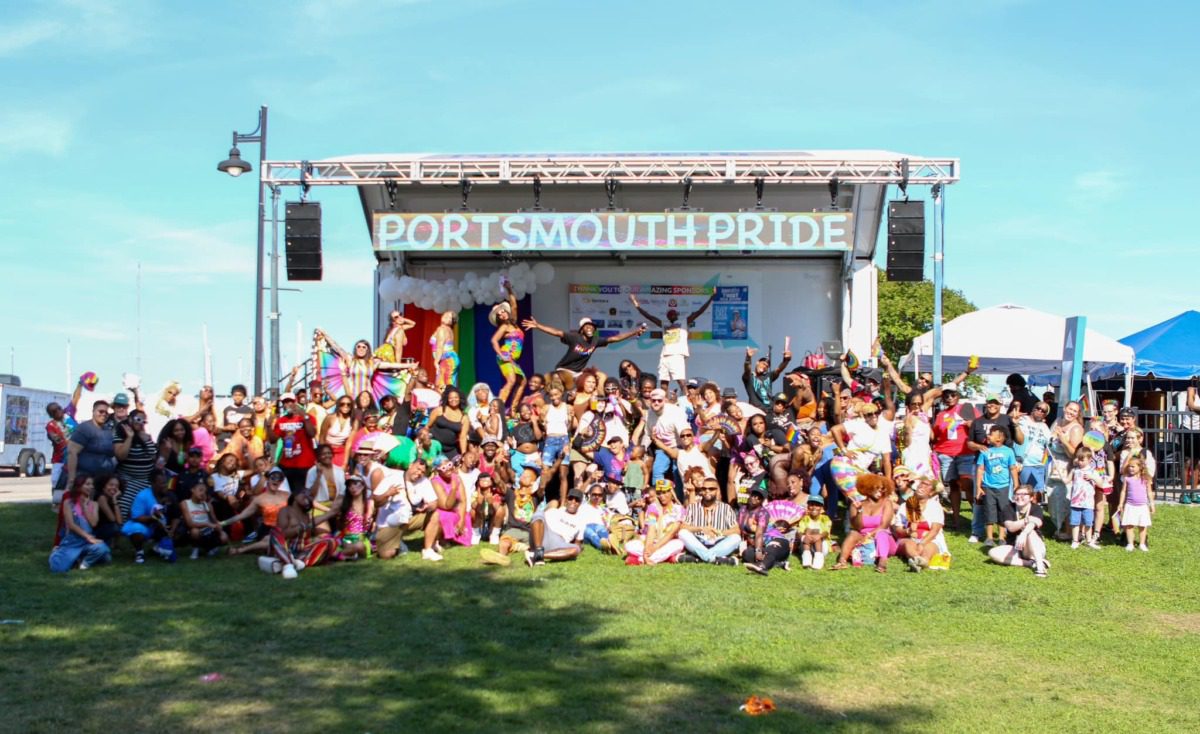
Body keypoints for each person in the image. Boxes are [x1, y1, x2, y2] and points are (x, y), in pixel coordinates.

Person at [629, 289, 716, 396]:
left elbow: (699, 311)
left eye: (673, 314)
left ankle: (686, 401)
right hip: (664, 355)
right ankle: (664, 401)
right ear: (667, 316)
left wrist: (711, 298)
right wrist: (636, 304)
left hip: (677, 355)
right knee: (663, 383)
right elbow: (649, 316)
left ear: (677, 315)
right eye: (670, 314)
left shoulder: (684, 322)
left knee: (681, 381)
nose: (672, 316)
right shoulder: (663, 324)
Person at [522, 316, 645, 390]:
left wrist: (634, 332)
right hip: (564, 369)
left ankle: (600, 401)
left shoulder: (596, 341)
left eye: (592, 327)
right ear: (582, 330)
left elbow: (615, 339)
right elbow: (557, 332)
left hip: (578, 373)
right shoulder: (574, 337)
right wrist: (538, 326)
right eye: (587, 326)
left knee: (601, 377)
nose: (590, 328)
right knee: (567, 382)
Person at [930, 385, 977, 529]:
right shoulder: (940, 415)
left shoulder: (967, 408)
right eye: (946, 395)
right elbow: (935, 434)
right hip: (946, 454)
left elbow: (980, 425)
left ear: (958, 395)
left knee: (967, 484)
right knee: (953, 486)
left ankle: (977, 518)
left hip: (965, 452)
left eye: (952, 395)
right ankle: (956, 520)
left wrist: (970, 424)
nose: (949, 398)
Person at [832, 475, 896, 572]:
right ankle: (842, 561)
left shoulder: (886, 503)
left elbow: (884, 525)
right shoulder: (857, 505)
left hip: (883, 539)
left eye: (883, 489)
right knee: (853, 533)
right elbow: (857, 527)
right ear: (868, 488)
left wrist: (870, 534)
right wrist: (859, 511)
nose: (881, 491)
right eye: (877, 488)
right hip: (863, 537)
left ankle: (882, 563)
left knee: (881, 533)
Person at [49, 477, 112, 573]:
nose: (91, 487)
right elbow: (71, 525)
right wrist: (88, 537)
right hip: (72, 542)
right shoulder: (69, 503)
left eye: (92, 484)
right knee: (58, 569)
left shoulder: (94, 504)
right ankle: (56, 552)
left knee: (103, 551)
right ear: (78, 486)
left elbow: (94, 523)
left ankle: (84, 563)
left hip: (87, 543)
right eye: (87, 484)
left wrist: (85, 507)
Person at [987, 485, 1049, 577]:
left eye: (1024, 494)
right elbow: (1010, 527)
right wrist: (1026, 520)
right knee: (992, 553)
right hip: (1016, 547)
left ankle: (1040, 567)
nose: (1019, 497)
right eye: (1017, 494)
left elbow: (1037, 523)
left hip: (1034, 547)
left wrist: (1023, 534)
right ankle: (1030, 563)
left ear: (1031, 497)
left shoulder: (1036, 508)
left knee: (1030, 531)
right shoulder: (1008, 508)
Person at [677, 476, 740, 565]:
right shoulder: (693, 507)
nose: (707, 491)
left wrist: (720, 532)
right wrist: (701, 529)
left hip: (719, 542)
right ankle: (715, 559)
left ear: (717, 490)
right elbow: (683, 527)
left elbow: (736, 530)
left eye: (711, 489)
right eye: (704, 488)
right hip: (699, 541)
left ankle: (700, 557)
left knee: (736, 538)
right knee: (682, 533)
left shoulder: (726, 508)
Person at [974, 425, 1020, 547]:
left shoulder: (1009, 451)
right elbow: (980, 469)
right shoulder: (985, 451)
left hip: (1004, 487)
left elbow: (1013, 468)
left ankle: (1001, 537)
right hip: (988, 487)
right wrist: (978, 486)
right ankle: (989, 537)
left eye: (991, 434)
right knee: (989, 511)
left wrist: (1016, 485)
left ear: (999, 438)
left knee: (1003, 511)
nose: (988, 436)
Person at [120, 469, 176, 564]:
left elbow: (176, 515)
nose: (164, 485)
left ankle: (158, 548)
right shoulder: (142, 496)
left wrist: (173, 530)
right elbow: (136, 517)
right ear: (153, 484)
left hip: (163, 527)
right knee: (136, 530)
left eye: (165, 483)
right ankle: (139, 552)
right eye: (161, 483)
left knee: (180, 531)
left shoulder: (170, 495)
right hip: (146, 525)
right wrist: (153, 518)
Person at [1046, 400, 1084, 539]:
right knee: (1054, 498)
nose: (1071, 412)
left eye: (1075, 411)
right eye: (1070, 409)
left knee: (1066, 499)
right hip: (1053, 466)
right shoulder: (1057, 421)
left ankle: (1069, 531)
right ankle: (1059, 527)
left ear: (1078, 414)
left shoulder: (1076, 429)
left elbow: (1075, 454)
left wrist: (1063, 439)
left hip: (1066, 467)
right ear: (1065, 408)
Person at [624, 480, 686, 565]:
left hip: (667, 542)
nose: (662, 496)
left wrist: (654, 548)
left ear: (672, 493)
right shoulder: (653, 508)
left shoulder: (679, 510)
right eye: (659, 493)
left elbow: (671, 534)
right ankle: (666, 558)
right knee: (629, 546)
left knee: (679, 544)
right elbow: (651, 529)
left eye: (664, 492)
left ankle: (640, 560)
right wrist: (647, 548)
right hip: (651, 541)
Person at [267, 393, 318, 495]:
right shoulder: (281, 420)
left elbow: (312, 433)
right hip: (287, 464)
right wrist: (268, 425)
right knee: (287, 495)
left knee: (304, 494)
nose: (288, 404)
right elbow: (273, 440)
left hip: (305, 463)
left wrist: (304, 416)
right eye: (285, 402)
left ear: (295, 402)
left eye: (290, 401)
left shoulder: (308, 417)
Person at [896, 475, 949, 572]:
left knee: (929, 547)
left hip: (929, 539)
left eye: (926, 485)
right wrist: (908, 531)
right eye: (921, 484)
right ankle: (916, 558)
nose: (921, 487)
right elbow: (898, 529)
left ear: (931, 493)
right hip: (910, 538)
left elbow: (934, 531)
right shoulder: (906, 505)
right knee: (908, 544)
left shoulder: (935, 506)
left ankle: (924, 560)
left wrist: (922, 543)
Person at [523, 487, 587, 566]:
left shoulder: (581, 521)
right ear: (566, 500)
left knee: (576, 549)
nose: (573, 502)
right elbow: (538, 521)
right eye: (570, 498)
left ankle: (536, 555)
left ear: (580, 503)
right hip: (544, 536)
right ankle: (538, 549)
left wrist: (578, 547)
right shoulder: (555, 511)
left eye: (577, 500)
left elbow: (577, 542)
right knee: (539, 513)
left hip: (560, 543)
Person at [112, 408, 157, 518]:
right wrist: (130, 437)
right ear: (130, 419)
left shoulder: (146, 436)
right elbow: (121, 456)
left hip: (146, 481)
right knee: (124, 508)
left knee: (145, 510)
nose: (141, 422)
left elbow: (153, 456)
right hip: (129, 480)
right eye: (138, 419)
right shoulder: (120, 434)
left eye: (143, 420)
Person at [490, 280, 527, 412]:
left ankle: (513, 409)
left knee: (522, 381)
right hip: (505, 356)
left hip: (512, 358)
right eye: (499, 315)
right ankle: (498, 408)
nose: (502, 314)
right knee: (511, 381)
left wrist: (509, 289)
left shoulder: (514, 323)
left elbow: (514, 305)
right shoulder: (504, 326)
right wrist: (501, 355)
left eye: (503, 312)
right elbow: (494, 340)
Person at [65, 400, 117, 490]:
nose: (104, 414)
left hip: (103, 480)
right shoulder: (84, 428)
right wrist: (72, 479)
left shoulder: (108, 430)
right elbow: (72, 453)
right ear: (93, 411)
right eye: (101, 411)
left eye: (106, 413)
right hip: (85, 479)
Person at [45, 391, 80, 501]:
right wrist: (54, 437)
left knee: (76, 481)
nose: (58, 411)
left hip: (77, 456)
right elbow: (51, 435)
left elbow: (76, 398)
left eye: (59, 408)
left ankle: (74, 503)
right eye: (54, 411)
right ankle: (56, 502)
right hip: (60, 459)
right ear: (51, 415)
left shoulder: (69, 415)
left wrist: (80, 383)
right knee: (56, 482)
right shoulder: (51, 425)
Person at [180, 480, 228, 559]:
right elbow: (190, 524)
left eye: (205, 492)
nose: (203, 493)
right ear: (192, 490)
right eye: (200, 490)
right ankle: (195, 549)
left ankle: (211, 548)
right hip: (195, 530)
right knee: (194, 531)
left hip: (208, 531)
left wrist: (220, 528)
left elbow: (215, 520)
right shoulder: (185, 503)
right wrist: (207, 524)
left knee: (224, 536)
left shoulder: (207, 505)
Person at [1117, 455, 1154, 552]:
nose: (1130, 468)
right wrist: (1121, 503)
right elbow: (1123, 492)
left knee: (1142, 526)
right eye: (1129, 466)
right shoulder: (1127, 479)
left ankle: (1142, 544)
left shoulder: (1145, 479)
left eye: (1133, 466)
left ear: (1140, 467)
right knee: (1129, 525)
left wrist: (1152, 504)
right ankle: (1130, 543)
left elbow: (1149, 492)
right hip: (1130, 505)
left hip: (1142, 506)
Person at [1068, 446, 1101, 550]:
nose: (1080, 462)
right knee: (1075, 522)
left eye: (1083, 460)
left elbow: (1100, 483)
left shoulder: (1093, 471)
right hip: (1075, 502)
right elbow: (1066, 480)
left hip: (1088, 503)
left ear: (1090, 460)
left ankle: (1089, 540)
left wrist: (1093, 478)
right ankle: (1075, 540)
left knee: (1088, 522)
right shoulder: (1075, 471)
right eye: (1079, 459)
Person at [742, 347, 794, 412]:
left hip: (771, 410)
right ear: (757, 363)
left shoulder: (768, 376)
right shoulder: (749, 377)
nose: (764, 367)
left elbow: (779, 369)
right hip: (757, 410)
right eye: (763, 364)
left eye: (767, 366)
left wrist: (786, 360)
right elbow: (747, 369)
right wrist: (748, 358)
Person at [335, 475, 374, 560]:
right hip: (348, 537)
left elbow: (370, 523)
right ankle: (344, 555)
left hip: (362, 537)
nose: (352, 487)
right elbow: (339, 524)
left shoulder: (368, 503)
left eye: (355, 483)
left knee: (359, 545)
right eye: (349, 485)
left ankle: (341, 555)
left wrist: (369, 521)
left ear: (363, 485)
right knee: (354, 546)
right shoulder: (345, 504)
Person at [427, 387, 469, 460]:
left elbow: (463, 438)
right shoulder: (439, 410)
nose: (453, 400)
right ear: (447, 399)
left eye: (456, 397)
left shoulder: (464, 418)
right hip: (433, 447)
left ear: (460, 398)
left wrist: (463, 454)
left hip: (450, 450)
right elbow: (427, 427)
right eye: (450, 398)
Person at [797, 496, 832, 570]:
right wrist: (804, 537)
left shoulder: (825, 519)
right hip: (807, 544)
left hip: (822, 547)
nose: (814, 507)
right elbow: (800, 532)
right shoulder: (804, 518)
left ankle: (819, 558)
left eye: (817, 505)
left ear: (822, 508)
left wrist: (819, 536)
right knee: (808, 530)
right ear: (808, 506)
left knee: (816, 532)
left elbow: (826, 531)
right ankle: (807, 557)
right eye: (811, 504)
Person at [430, 311, 460, 390]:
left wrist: (436, 362)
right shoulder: (447, 329)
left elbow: (440, 346)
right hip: (450, 359)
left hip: (447, 359)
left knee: (442, 386)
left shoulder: (442, 329)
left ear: (452, 322)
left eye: (449, 317)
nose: (446, 316)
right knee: (448, 385)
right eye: (446, 314)